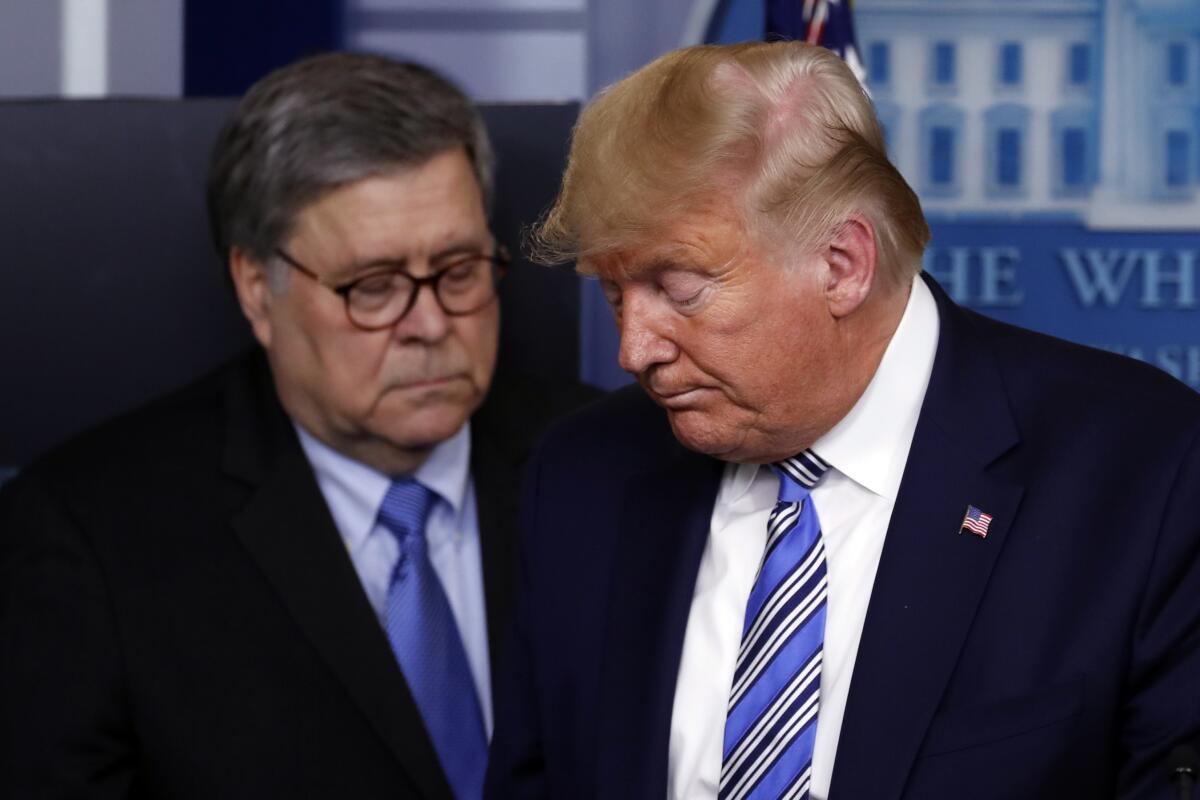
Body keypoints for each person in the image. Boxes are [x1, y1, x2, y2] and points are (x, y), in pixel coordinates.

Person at [484, 41, 1200, 799]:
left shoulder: (1147, 476)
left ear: (842, 264)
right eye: (614, 293)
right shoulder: (581, 476)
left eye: (680, 287)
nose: (634, 350)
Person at [0, 52, 594, 799]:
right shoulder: (91, 539)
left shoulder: (600, 463)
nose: (431, 324)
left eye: (459, 270)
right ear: (257, 289)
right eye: (373, 288)